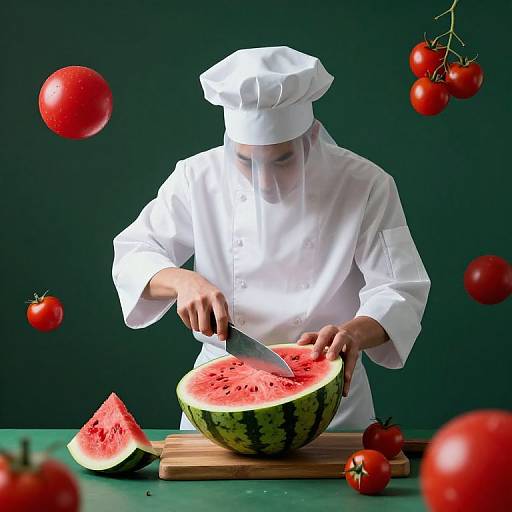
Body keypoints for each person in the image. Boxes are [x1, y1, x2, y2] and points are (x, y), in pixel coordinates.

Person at [112, 46, 431, 430]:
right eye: (245, 161)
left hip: (332, 413)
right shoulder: (196, 178)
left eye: (281, 159)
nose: (263, 180)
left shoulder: (365, 184)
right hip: (221, 408)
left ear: (312, 138)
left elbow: (400, 288)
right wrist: (182, 280)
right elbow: (132, 253)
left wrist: (353, 333)